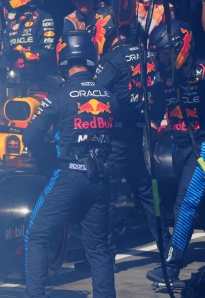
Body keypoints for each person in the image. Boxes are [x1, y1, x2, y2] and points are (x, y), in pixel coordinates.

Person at [22, 30, 116, 298]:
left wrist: (46, 157)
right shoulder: (109, 97)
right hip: (101, 179)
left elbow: (30, 136)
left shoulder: (60, 95)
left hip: (68, 175)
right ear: (91, 57)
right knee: (98, 249)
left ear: (63, 58)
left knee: (36, 236)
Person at [91, 6, 171, 271]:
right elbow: (162, 91)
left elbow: (95, 96)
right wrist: (152, 120)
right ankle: (167, 247)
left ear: (107, 31)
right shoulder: (149, 54)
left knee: (108, 194)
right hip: (140, 130)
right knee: (148, 191)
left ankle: (106, 258)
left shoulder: (111, 60)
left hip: (116, 136)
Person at [147, 20, 205, 283]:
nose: (162, 59)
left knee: (186, 204)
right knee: (182, 204)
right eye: (159, 55)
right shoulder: (164, 78)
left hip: (201, 148)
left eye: (166, 53)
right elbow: (155, 112)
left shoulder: (202, 74)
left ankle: (171, 266)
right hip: (178, 147)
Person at [0, 0, 56, 92]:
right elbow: (4, 55)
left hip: (38, 82)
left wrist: (22, 52)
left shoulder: (43, 17)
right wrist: (3, 69)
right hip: (14, 83)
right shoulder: (12, 23)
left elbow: (47, 53)